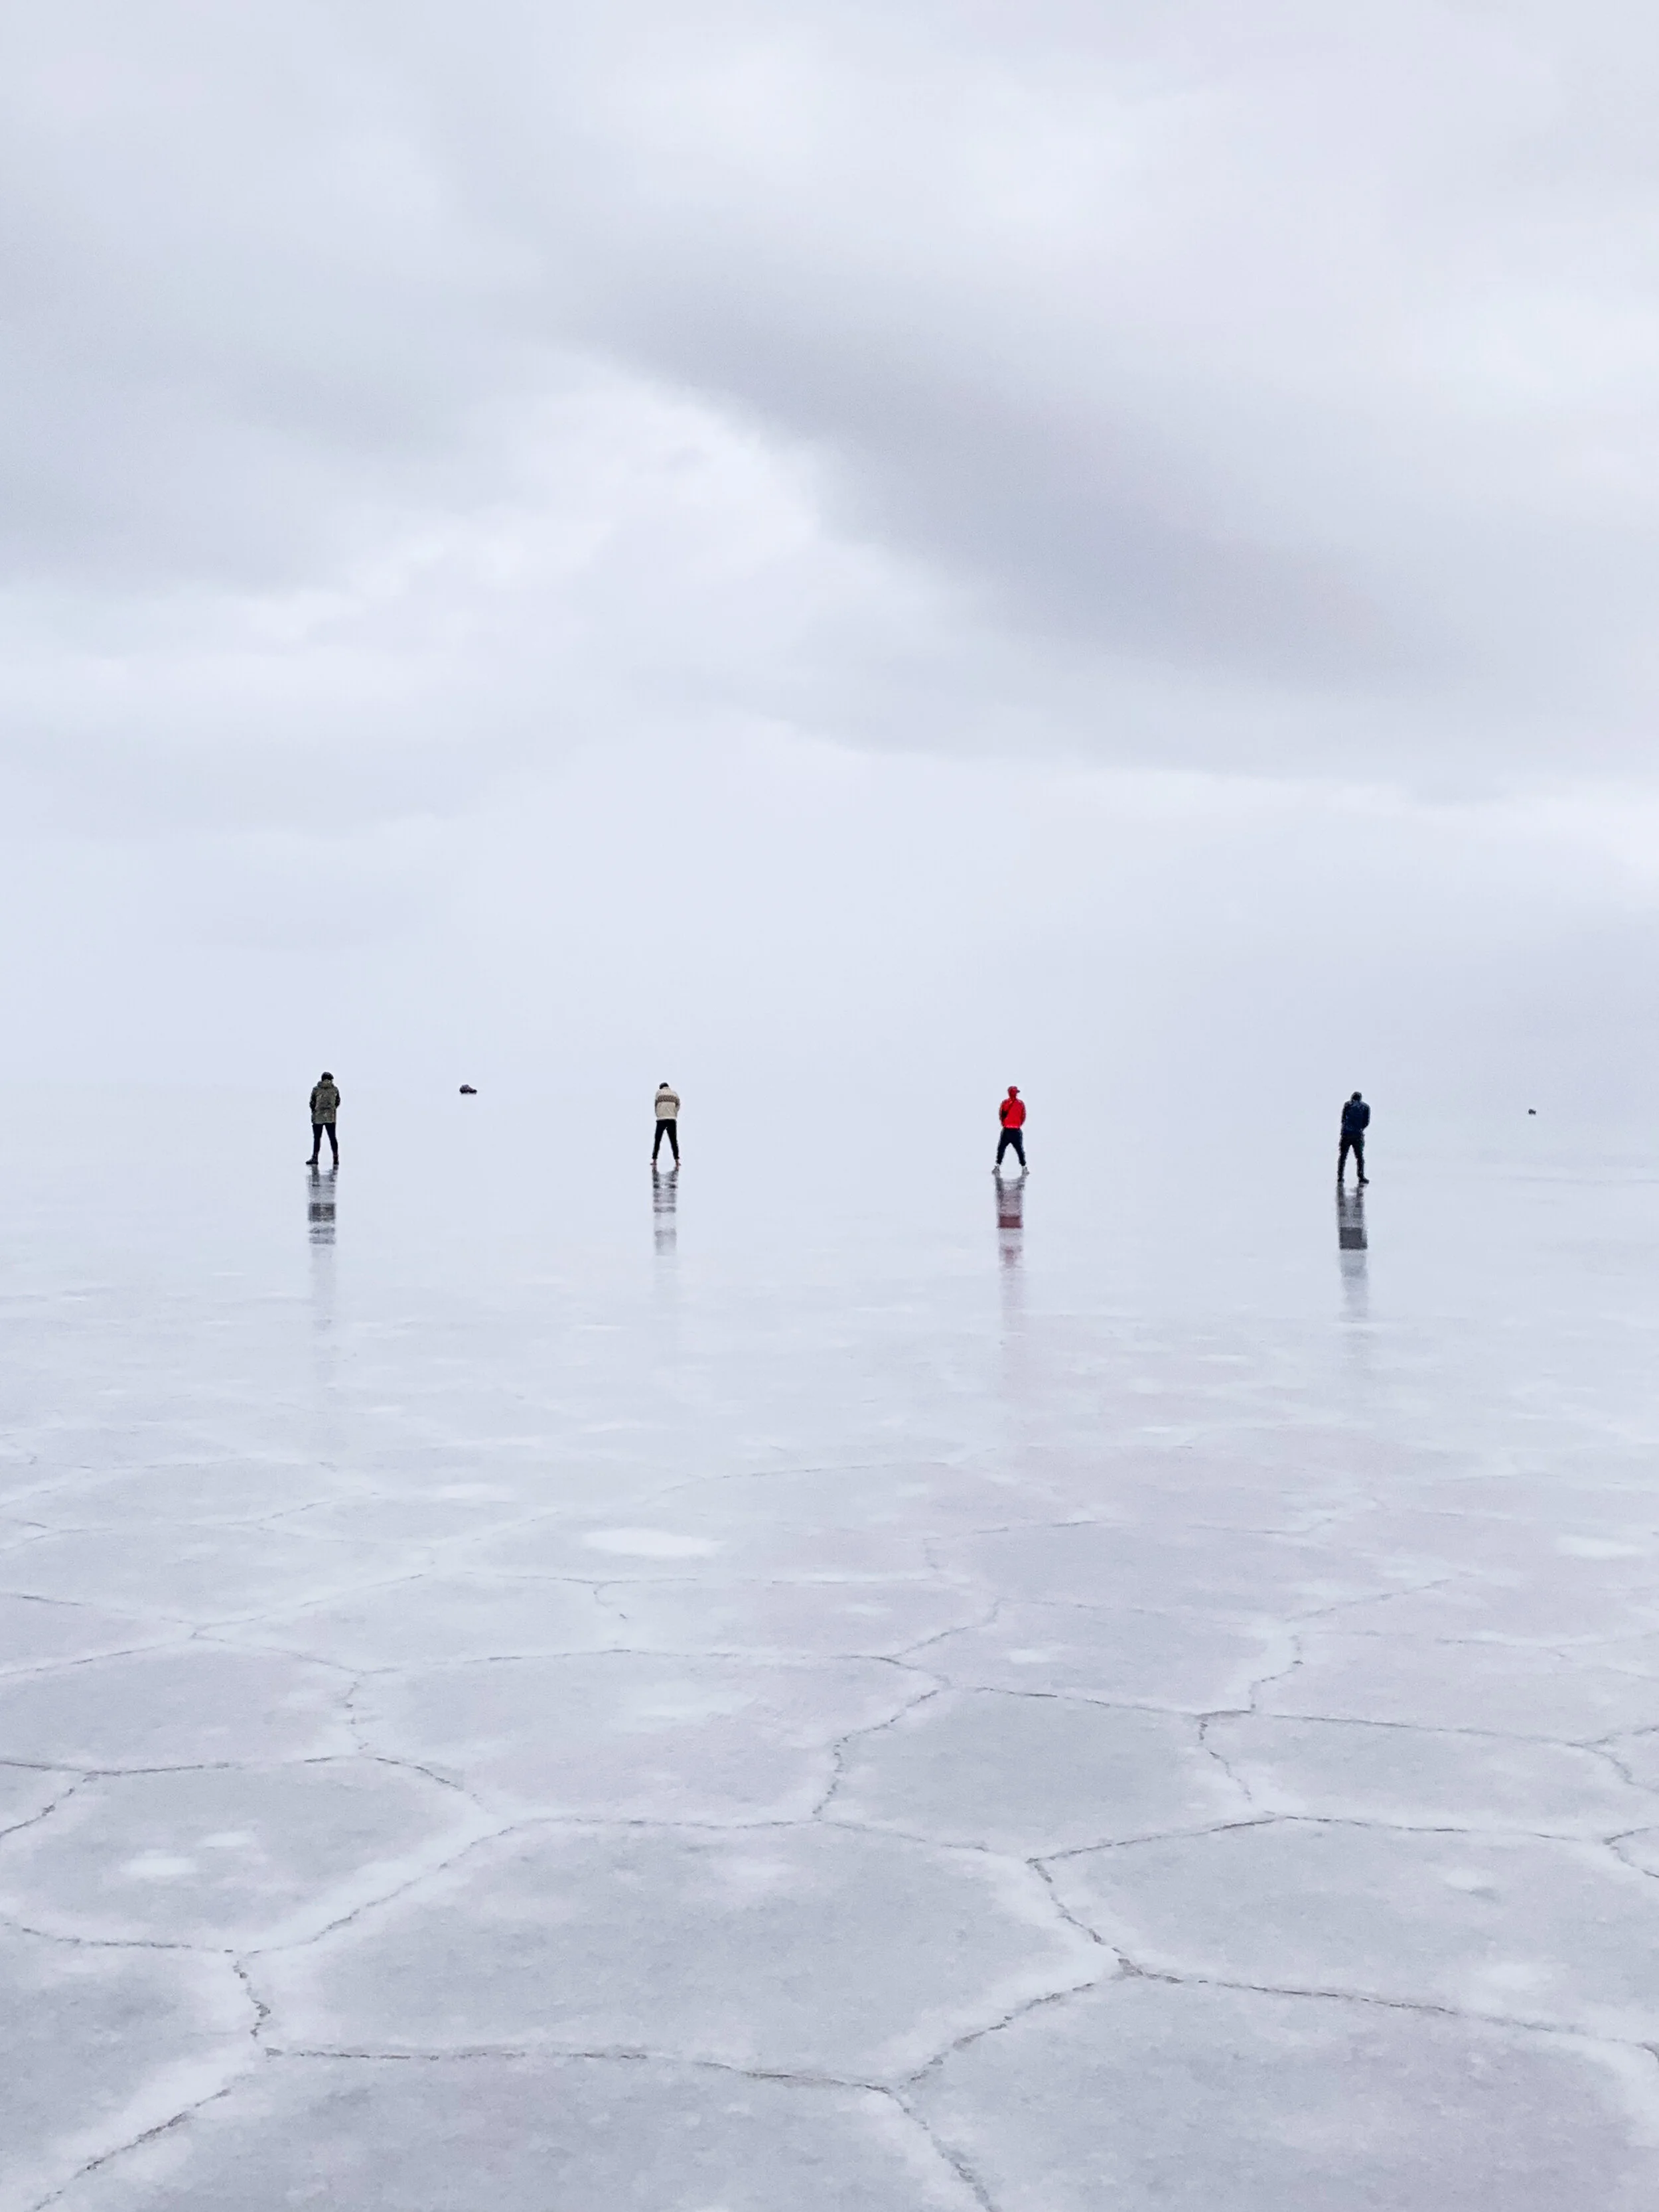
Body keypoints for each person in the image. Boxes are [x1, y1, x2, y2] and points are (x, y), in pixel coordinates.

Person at [307, 1071, 340, 1167]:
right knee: (332, 1138)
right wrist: (331, 1110)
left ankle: (315, 1157)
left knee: (317, 1138)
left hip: (318, 1117)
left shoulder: (316, 1090)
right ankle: (335, 1158)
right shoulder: (335, 1090)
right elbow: (337, 1102)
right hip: (331, 1118)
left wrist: (316, 1111)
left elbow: (312, 1103)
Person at [1338, 1090, 1370, 1186]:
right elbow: (1366, 1122)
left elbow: (1343, 1119)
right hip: (1358, 1135)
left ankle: (1340, 1177)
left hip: (1346, 1134)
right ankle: (1361, 1177)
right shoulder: (1366, 1107)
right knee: (1359, 1157)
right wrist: (1359, 1129)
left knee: (1343, 1156)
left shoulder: (1347, 1105)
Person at [995, 1085, 1027, 1172]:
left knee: (1001, 1148)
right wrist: (1018, 1124)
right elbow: (1023, 1116)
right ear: (1016, 1093)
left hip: (1007, 1130)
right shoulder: (1021, 1104)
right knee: (1020, 1149)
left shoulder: (1005, 1103)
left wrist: (1005, 1124)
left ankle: (998, 1166)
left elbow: (1001, 1115)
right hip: (1016, 1130)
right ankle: (1024, 1167)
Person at [652, 1080, 680, 1165]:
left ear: (661, 1087)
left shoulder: (659, 1093)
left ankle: (654, 1160)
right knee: (674, 1141)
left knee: (658, 1140)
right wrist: (674, 1113)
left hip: (661, 1119)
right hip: (672, 1119)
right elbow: (678, 1105)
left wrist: (658, 1114)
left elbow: (656, 1105)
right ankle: (677, 1161)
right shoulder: (674, 1093)